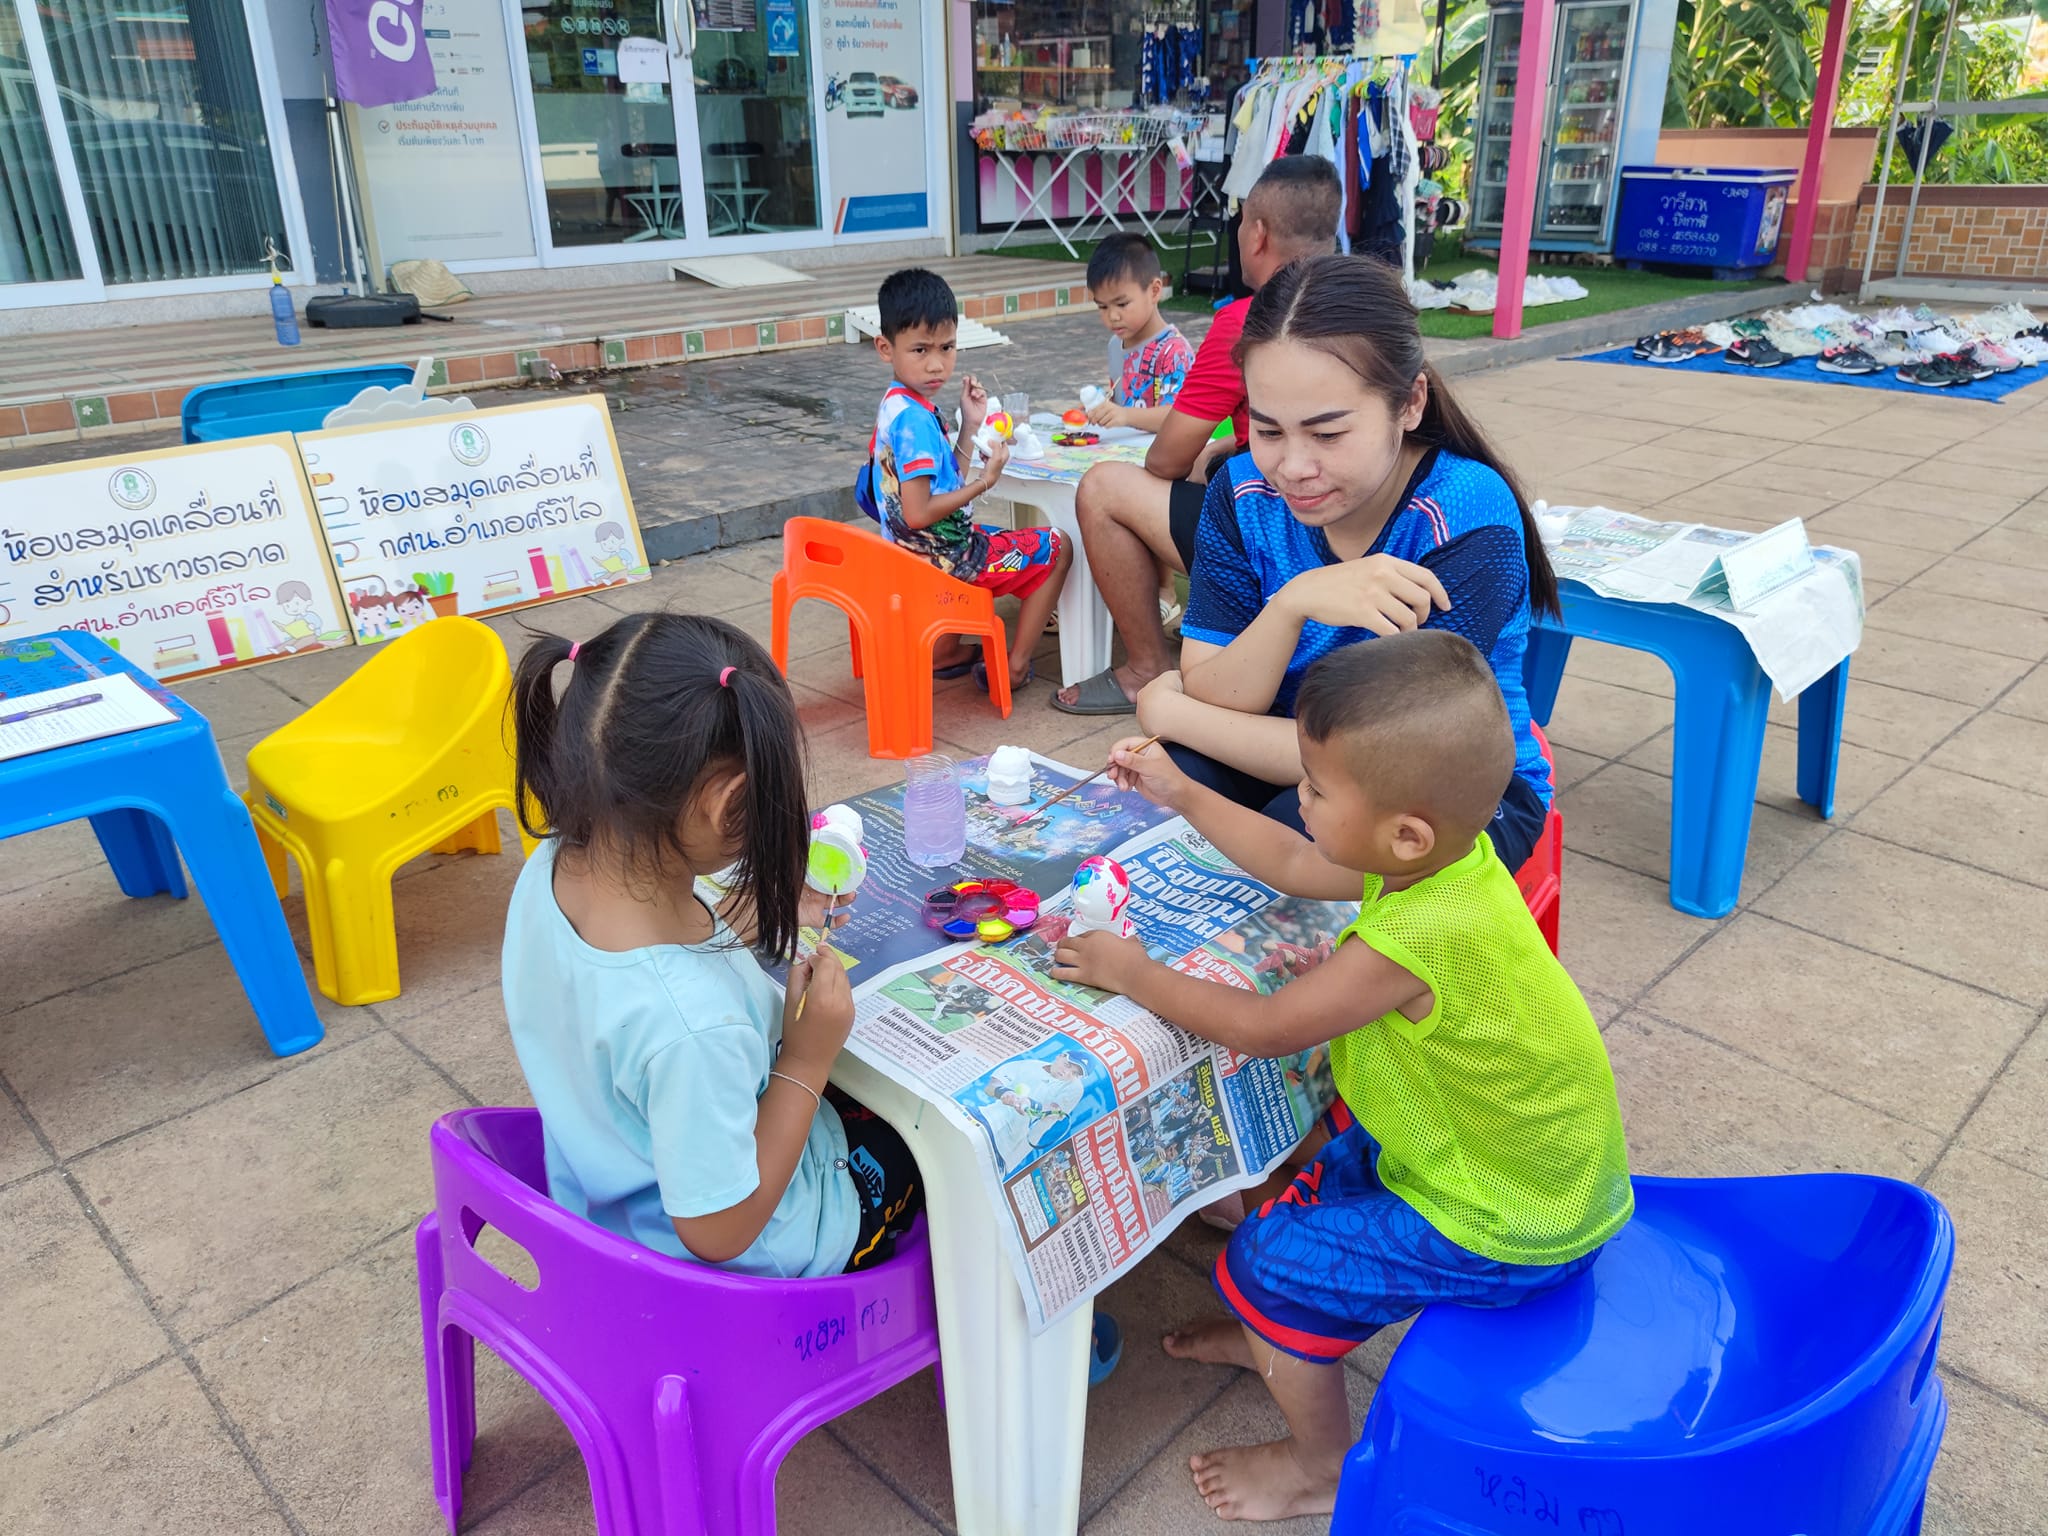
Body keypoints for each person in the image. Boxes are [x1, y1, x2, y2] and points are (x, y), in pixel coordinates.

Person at [1052, 632, 1632, 1522]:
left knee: (1264, 1262)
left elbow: (1261, 1028)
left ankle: (1319, 1463)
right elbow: (1295, 860)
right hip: (1494, 1162)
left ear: (1404, 832)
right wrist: (1182, 790)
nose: (1300, 799)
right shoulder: (1448, 861)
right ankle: (1281, 1338)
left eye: (1317, 790)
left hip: (1511, 1222)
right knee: (1309, 1176)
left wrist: (1130, 971)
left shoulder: (1418, 935)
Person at [500, 611, 921, 1278]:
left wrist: (759, 908)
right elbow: (720, 1230)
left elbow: (652, 964)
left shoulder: (554, 866)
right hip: (751, 1251)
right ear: (729, 804)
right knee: (930, 1148)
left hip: (610, 1196)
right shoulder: (691, 1027)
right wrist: (806, 1060)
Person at [1136, 252, 1560, 873]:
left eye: (1328, 434)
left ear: (1409, 403)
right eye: (1268, 430)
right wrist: (1293, 602)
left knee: (1318, 836)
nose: (1292, 468)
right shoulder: (1244, 491)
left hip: (1448, 791)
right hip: (1303, 749)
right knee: (1158, 795)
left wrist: (1169, 711)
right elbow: (1213, 687)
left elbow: (1389, 762)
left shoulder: (1463, 515)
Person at [1054, 157, 1341, 716]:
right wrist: (1226, 448)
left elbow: (1165, 460)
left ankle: (1145, 667)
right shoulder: (1366, 305)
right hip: (1358, 524)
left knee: (1104, 488)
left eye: (1241, 222)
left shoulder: (1249, 321)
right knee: (1211, 463)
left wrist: (1198, 456)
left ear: (1257, 235)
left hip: (1282, 532)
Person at [868, 267, 1072, 693]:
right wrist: (985, 482)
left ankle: (944, 652)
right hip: (945, 560)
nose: (936, 363)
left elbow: (941, 487)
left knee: (1000, 534)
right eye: (920, 349)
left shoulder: (899, 404)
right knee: (1057, 546)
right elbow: (919, 512)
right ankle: (1014, 667)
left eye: (947, 347)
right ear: (886, 348)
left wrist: (969, 426)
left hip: (909, 554)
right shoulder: (915, 421)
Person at [1083, 233, 1196, 435]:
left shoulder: (1174, 351)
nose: (1113, 316)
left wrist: (1126, 415)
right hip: (1125, 449)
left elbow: (1180, 416)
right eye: (1102, 307)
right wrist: (1100, 408)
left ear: (1154, 291)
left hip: (1163, 453)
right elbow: (1122, 401)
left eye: (1122, 304)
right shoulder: (1115, 345)